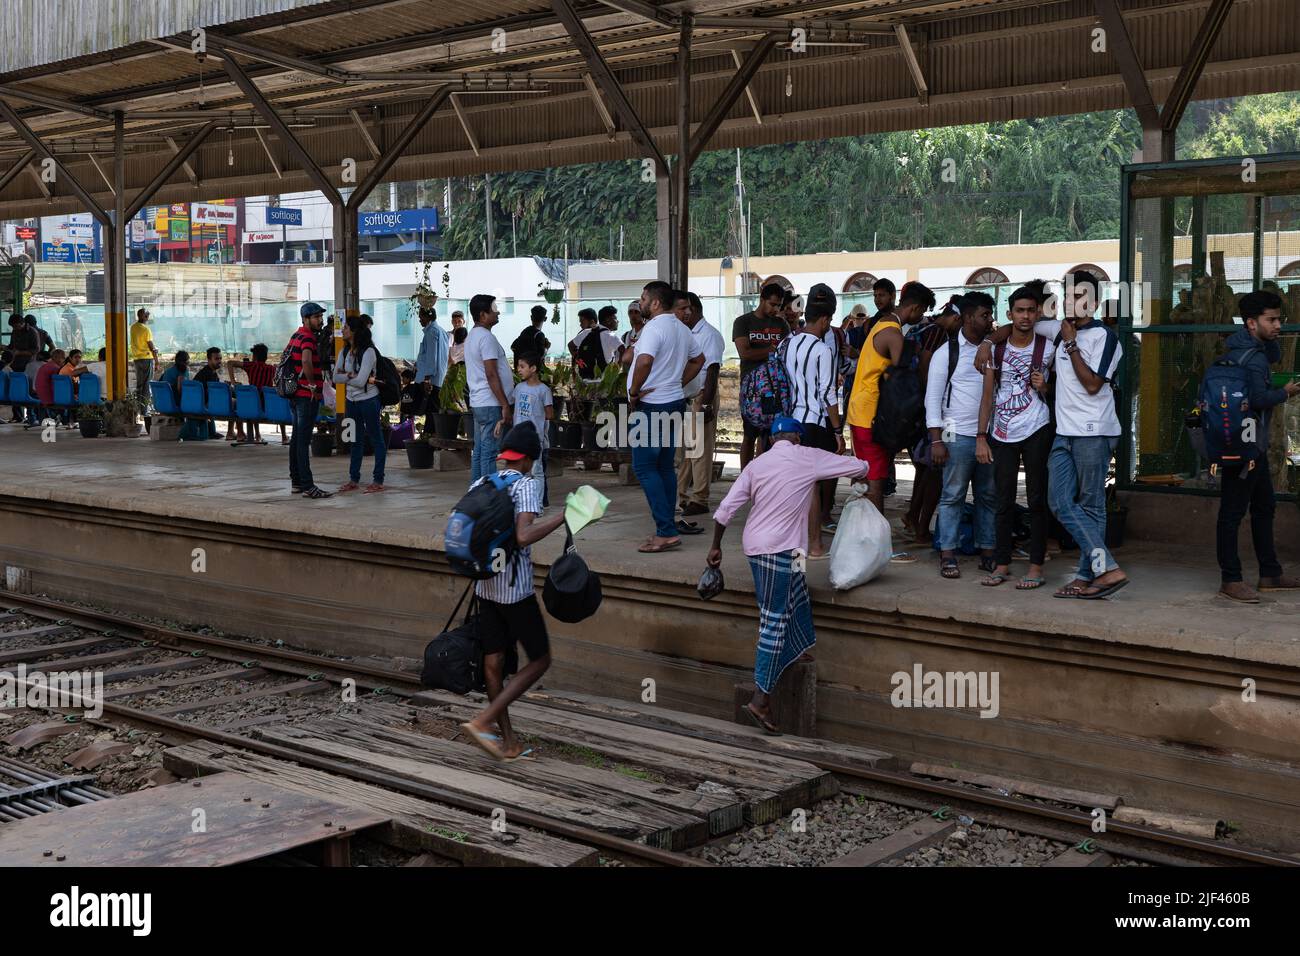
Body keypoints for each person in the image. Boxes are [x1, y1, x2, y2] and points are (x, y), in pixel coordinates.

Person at [708, 416, 870, 735]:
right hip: (777, 550)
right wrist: (862, 465)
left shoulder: (756, 464)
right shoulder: (808, 456)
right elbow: (858, 468)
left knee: (799, 594)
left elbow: (726, 509)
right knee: (774, 619)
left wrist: (715, 548)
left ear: (771, 440)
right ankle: (761, 698)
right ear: (797, 438)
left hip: (773, 548)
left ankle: (796, 650)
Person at [978, 271, 1127, 599]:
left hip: (1094, 433)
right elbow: (1015, 326)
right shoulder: (1056, 327)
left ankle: (1092, 573)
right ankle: (1106, 568)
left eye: (1083, 297)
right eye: (1071, 296)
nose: (1076, 303)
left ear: (1095, 302)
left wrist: (1072, 345)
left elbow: (1091, 385)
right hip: (1062, 432)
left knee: (1091, 505)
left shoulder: (1105, 338)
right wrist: (988, 343)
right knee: (1057, 501)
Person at [458, 422, 568, 762]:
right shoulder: (527, 484)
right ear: (529, 459)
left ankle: (508, 742)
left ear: (507, 456)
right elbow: (523, 536)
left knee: (494, 661)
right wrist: (565, 517)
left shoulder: (483, 480)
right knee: (540, 659)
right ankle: (483, 721)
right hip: (514, 590)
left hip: (484, 584)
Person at [1212, 291, 1300, 602]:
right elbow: (1259, 399)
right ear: (1252, 323)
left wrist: (1267, 337)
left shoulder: (1242, 347)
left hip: (1250, 443)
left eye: (1279, 319)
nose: (1278, 325)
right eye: (1271, 320)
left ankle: (1270, 573)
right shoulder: (1253, 359)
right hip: (1243, 444)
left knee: (1264, 507)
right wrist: (1286, 392)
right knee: (1232, 512)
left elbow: (1273, 356)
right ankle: (1231, 579)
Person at [975, 287, 1055, 590]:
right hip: (1002, 432)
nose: (1025, 316)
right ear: (1010, 315)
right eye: (1019, 311)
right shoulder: (996, 349)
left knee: (1037, 498)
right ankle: (1002, 564)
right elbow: (986, 397)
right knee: (1002, 499)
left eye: (1030, 310)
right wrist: (981, 436)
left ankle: (1036, 566)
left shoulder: (1048, 347)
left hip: (1037, 427)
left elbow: (1058, 390)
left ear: (1038, 313)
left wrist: (1044, 387)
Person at [845, 281, 936, 516]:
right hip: (870, 415)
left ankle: (862, 532)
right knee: (875, 480)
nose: (922, 316)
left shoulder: (881, 325)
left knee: (866, 475)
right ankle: (876, 540)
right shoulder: (893, 333)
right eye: (923, 311)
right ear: (915, 308)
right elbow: (903, 377)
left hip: (862, 410)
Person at [628, 280, 704, 553]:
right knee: (663, 467)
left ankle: (666, 531)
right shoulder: (681, 329)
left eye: (643, 298)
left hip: (651, 406)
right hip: (673, 403)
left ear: (656, 302)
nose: (641, 303)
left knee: (644, 467)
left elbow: (645, 361)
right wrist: (677, 383)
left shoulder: (654, 328)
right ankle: (667, 527)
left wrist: (634, 391)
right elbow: (699, 359)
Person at [926, 292, 997, 579]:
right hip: (956, 433)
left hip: (990, 435)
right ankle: (948, 553)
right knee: (952, 494)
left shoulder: (993, 347)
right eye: (984, 315)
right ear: (968, 318)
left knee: (988, 495)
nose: (990, 320)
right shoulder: (947, 353)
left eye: (990, 315)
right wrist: (936, 439)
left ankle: (988, 549)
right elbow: (932, 398)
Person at [784, 283, 846, 558]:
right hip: (813, 422)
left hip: (788, 423)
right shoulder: (822, 350)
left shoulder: (787, 343)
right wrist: (837, 430)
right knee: (812, 485)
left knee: (793, 482)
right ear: (825, 319)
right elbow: (827, 393)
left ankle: (791, 541)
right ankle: (816, 545)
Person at [902, 298, 962, 546]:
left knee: (925, 469)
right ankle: (922, 527)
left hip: (914, 409)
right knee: (936, 469)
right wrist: (934, 411)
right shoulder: (939, 334)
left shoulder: (923, 328)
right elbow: (927, 372)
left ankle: (913, 516)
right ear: (959, 318)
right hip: (935, 415)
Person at [676, 291, 725, 518]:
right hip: (688, 396)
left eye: (684, 309)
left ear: (692, 309)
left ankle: (700, 498)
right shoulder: (686, 333)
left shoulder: (709, 335)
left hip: (702, 396)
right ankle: (682, 496)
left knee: (698, 451)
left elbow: (713, 370)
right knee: (686, 451)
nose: (682, 313)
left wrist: (705, 404)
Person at [733, 283, 790, 468]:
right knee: (750, 435)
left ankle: (763, 477)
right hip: (751, 389)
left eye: (779, 305)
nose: (776, 309)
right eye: (772, 304)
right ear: (762, 300)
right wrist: (771, 351)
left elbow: (786, 353)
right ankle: (746, 478)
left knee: (769, 436)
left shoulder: (781, 324)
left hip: (775, 389)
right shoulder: (743, 322)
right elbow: (745, 353)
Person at [333, 316, 386, 494]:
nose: (343, 330)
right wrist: (351, 376)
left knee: (375, 438)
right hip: (351, 401)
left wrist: (346, 375)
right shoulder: (344, 351)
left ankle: (378, 479)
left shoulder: (369, 352)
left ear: (354, 331)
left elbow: (363, 380)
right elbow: (335, 377)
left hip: (369, 400)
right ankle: (353, 478)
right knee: (354, 439)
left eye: (346, 327)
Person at [465, 293, 515, 482]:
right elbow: (491, 374)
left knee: (479, 451)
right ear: (482, 315)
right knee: (489, 453)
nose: (498, 312)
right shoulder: (486, 338)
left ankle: (476, 491)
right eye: (493, 309)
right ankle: (488, 497)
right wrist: (504, 404)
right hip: (491, 403)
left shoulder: (472, 336)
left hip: (480, 402)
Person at [287, 302, 332, 499]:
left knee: (296, 440)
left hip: (296, 394)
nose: (320, 320)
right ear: (306, 319)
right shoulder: (307, 337)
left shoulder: (295, 335)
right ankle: (308, 485)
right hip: (306, 395)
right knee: (303, 442)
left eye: (320, 317)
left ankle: (296, 482)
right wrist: (313, 385)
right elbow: (305, 360)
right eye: (316, 317)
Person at [511, 352, 554, 506]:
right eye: (518, 366)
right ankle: (523, 502)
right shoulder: (519, 387)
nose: (518, 370)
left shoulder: (543, 390)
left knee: (536, 471)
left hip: (535, 437)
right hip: (519, 436)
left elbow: (550, 414)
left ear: (533, 368)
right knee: (520, 470)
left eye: (522, 367)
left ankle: (538, 504)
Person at [227, 343, 280, 445]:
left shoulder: (251, 366)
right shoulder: (271, 368)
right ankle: (260, 435)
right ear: (266, 356)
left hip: (251, 404)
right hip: (267, 404)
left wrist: (233, 381)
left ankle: (248, 433)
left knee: (244, 401)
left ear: (254, 356)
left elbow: (230, 363)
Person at [415, 305, 449, 419]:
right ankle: (431, 434)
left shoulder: (431, 332)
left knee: (431, 412)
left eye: (421, 317)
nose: (420, 320)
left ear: (427, 317)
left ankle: (430, 435)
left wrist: (427, 378)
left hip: (431, 380)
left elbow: (432, 356)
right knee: (433, 411)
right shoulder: (442, 331)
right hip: (438, 379)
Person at [187, 346, 224, 440]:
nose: (219, 361)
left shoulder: (211, 372)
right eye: (216, 359)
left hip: (203, 402)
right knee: (235, 402)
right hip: (202, 403)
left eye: (220, 358)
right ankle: (232, 433)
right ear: (209, 360)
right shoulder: (207, 374)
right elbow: (212, 393)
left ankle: (215, 432)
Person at [128, 308, 160, 409]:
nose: (147, 317)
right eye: (146, 315)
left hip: (137, 359)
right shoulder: (146, 329)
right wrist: (157, 361)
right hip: (146, 359)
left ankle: (138, 408)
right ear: (143, 316)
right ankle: (144, 410)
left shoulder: (133, 327)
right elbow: (152, 347)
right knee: (146, 385)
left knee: (140, 385)